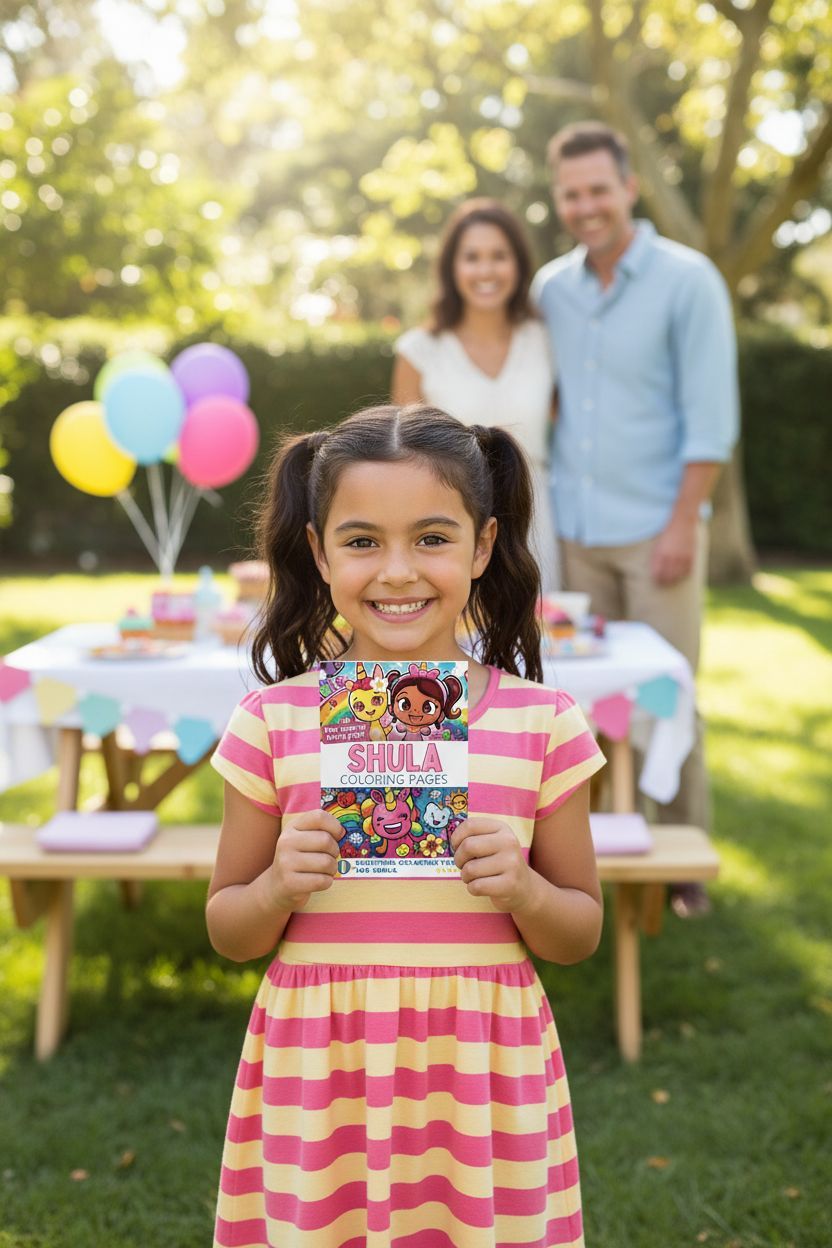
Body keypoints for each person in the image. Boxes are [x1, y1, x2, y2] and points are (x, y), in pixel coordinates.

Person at [206, 404, 606, 1247]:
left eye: (431, 538)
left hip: (480, 1075)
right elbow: (230, 931)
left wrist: (528, 890)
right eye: (361, 542)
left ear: (483, 545)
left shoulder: (545, 724)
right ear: (318, 553)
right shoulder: (272, 723)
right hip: (325, 1072)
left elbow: (578, 933)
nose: (397, 572)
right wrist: (277, 883)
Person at [532, 122, 739, 916]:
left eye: (598, 190)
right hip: (576, 536)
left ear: (629, 188)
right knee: (585, 705)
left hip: (659, 531)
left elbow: (710, 419)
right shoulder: (552, 288)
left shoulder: (689, 282)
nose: (585, 206)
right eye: (571, 193)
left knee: (666, 695)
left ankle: (683, 865)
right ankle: (600, 858)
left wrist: (686, 523)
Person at [391, 198, 559, 590]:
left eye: (499, 256)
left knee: (539, 642)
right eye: (472, 257)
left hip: (536, 520)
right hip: (448, 527)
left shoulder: (546, 342)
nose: (486, 270)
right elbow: (402, 457)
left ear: (518, 264)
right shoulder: (419, 350)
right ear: (453, 267)